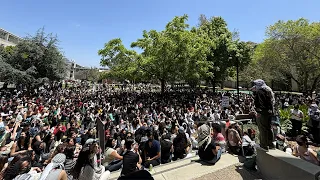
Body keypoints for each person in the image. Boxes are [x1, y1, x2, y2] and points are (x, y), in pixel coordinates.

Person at [252, 79, 275, 150]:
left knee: (262, 128)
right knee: (268, 128)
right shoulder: (268, 90)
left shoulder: (260, 92)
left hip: (263, 113)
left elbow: (261, 103)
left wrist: (259, 112)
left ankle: (264, 145)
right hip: (269, 112)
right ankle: (270, 144)